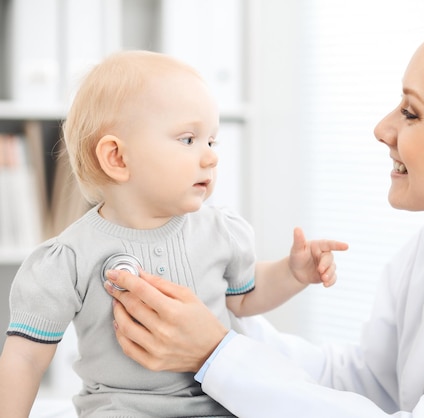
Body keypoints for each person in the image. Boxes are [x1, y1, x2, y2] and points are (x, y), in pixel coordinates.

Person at [105, 4, 424, 417]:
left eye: (411, 112)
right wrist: (210, 315)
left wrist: (215, 355)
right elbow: (363, 386)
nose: (383, 129)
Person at [0, 50, 348, 417]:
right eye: (188, 139)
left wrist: (291, 273)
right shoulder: (69, 258)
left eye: (212, 141)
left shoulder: (219, 231)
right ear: (117, 158)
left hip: (220, 402)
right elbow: (25, 359)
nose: (211, 157)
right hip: (122, 408)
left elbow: (244, 299)